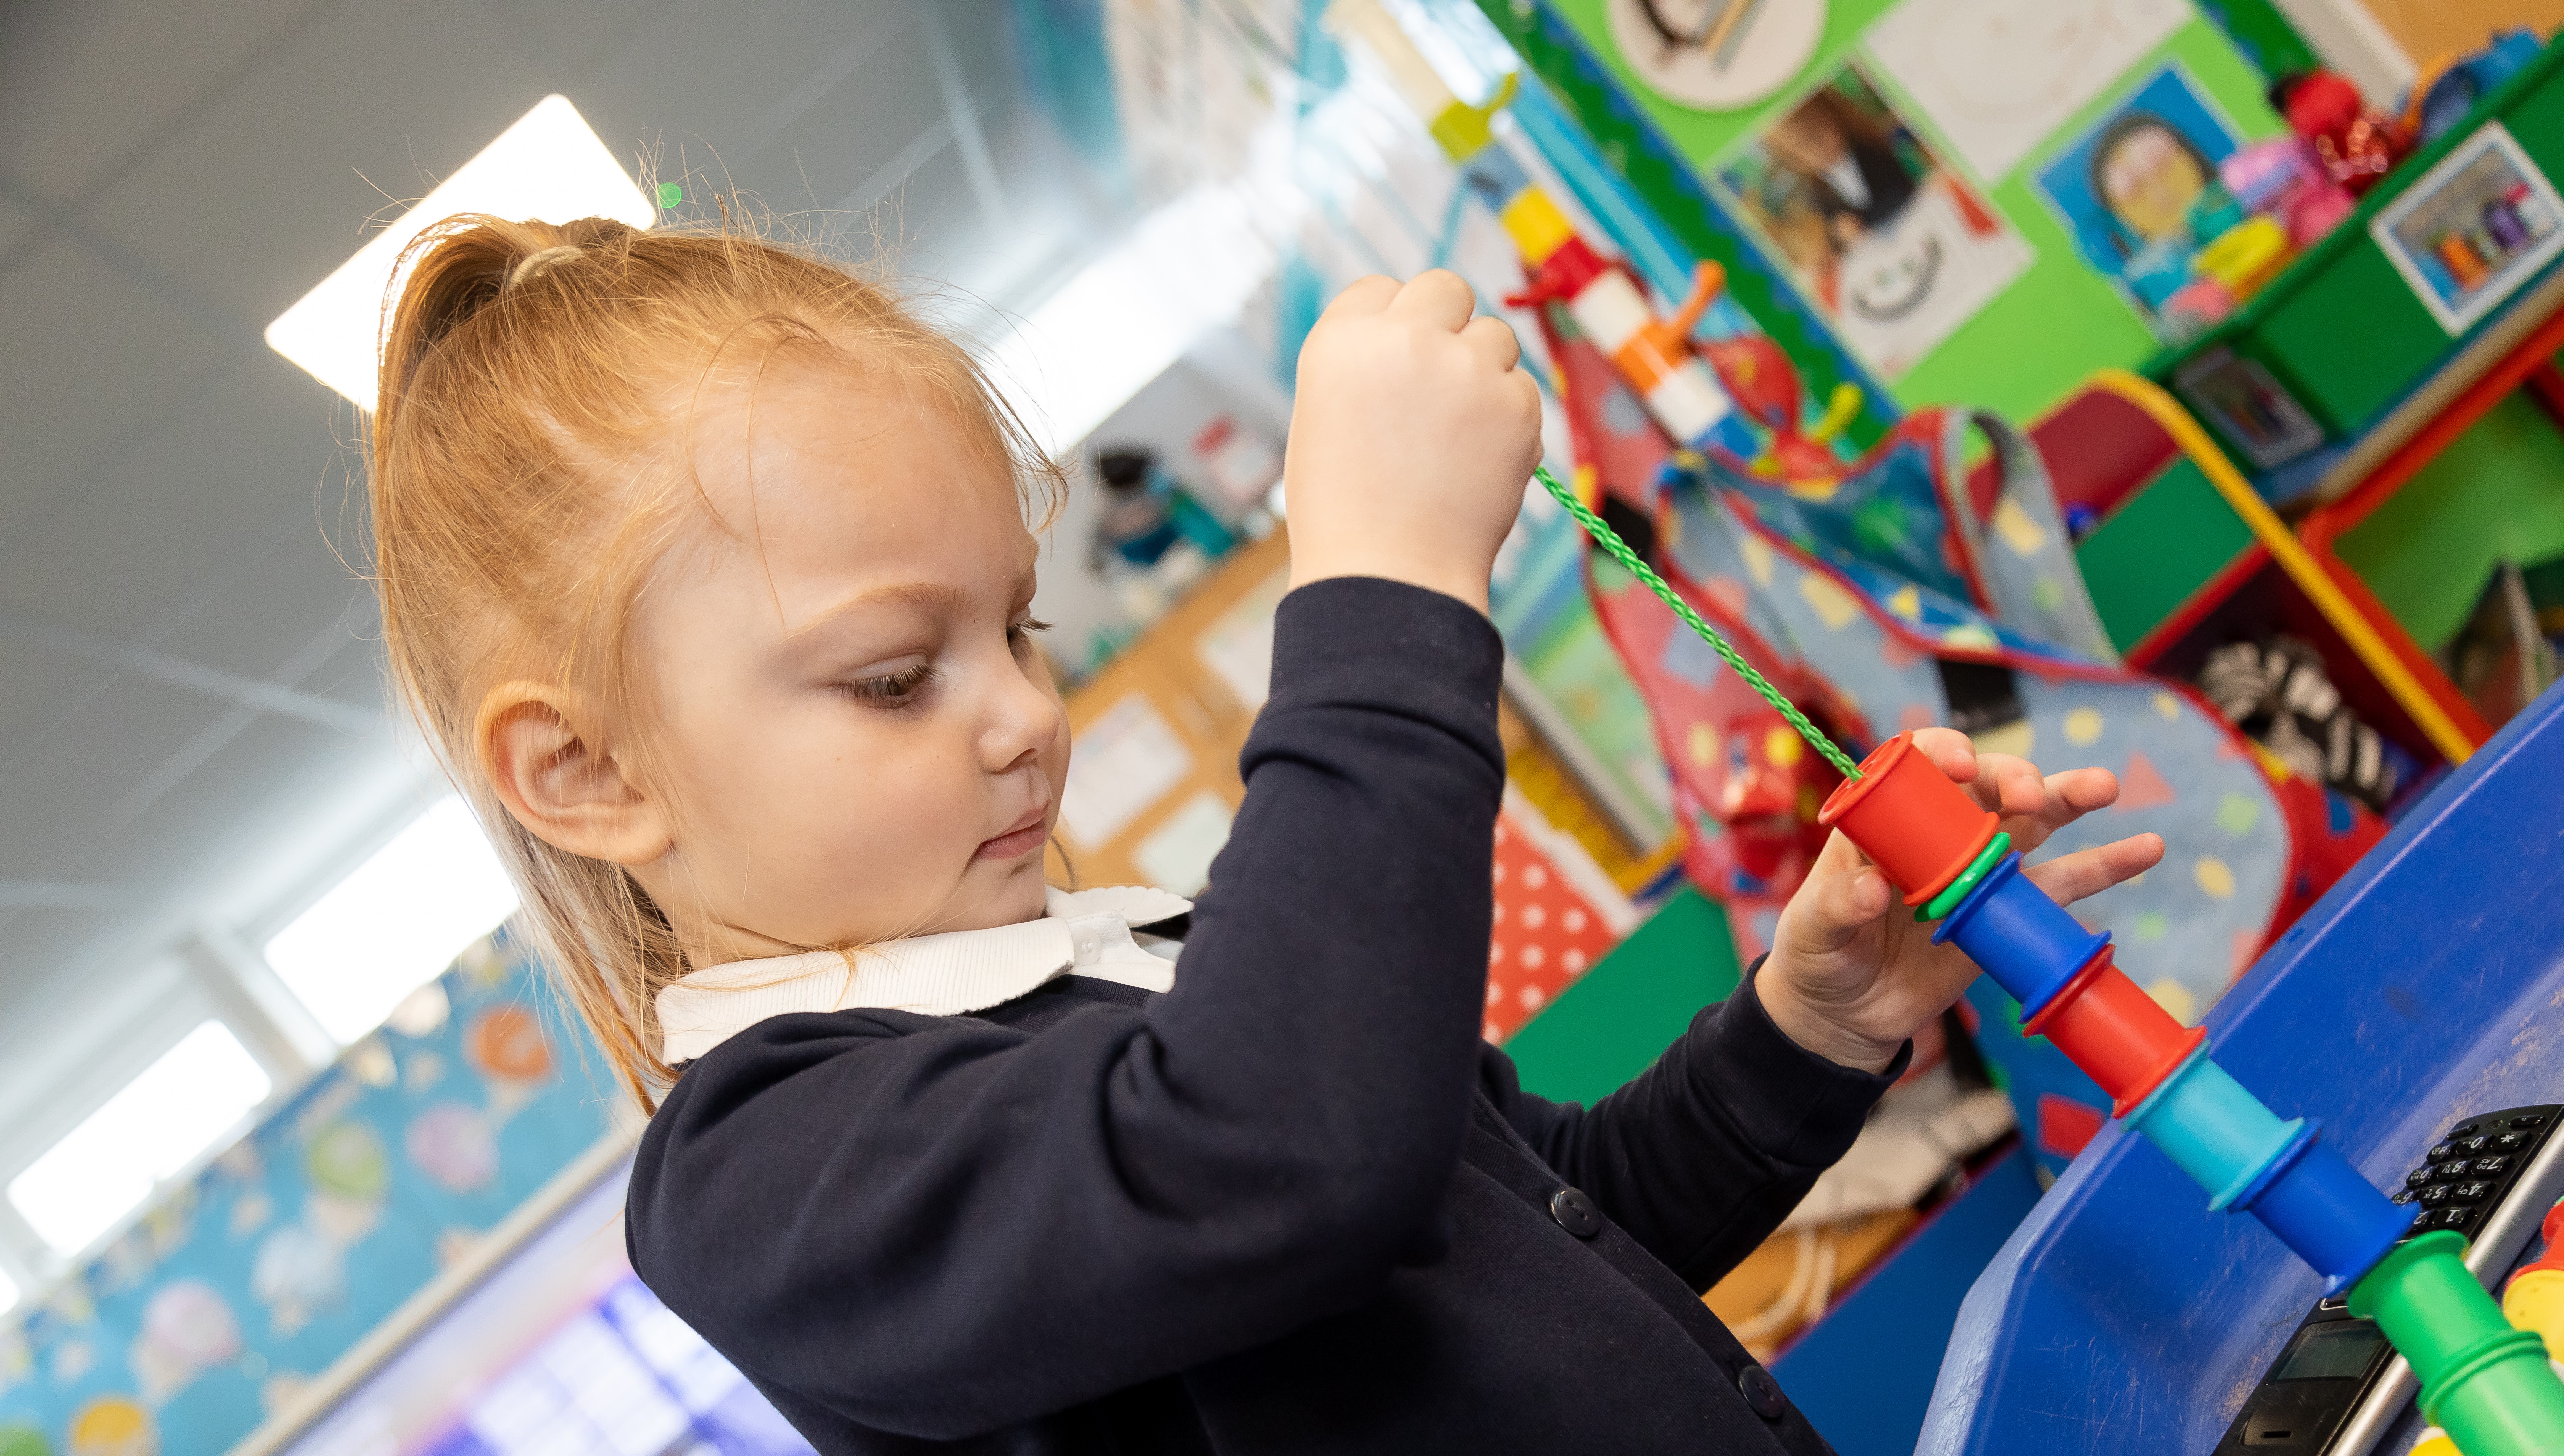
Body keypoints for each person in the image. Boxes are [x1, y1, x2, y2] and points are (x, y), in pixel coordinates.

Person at [367, 216, 2162, 1454]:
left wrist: (1808, 1030)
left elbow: (1555, 1238)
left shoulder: (1127, 977)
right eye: (899, 675)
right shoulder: (774, 1178)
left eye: (1020, 629)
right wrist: (1381, 584)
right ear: (591, 776)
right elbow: (1280, 1161)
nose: (1020, 713)